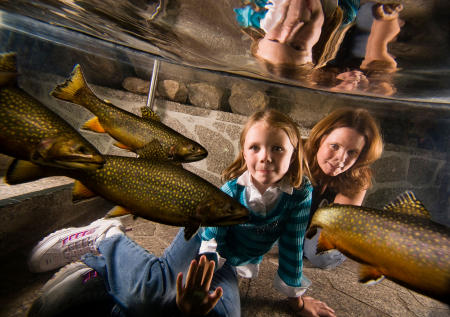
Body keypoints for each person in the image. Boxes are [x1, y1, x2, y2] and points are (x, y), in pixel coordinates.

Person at [27, 109, 336, 317]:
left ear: (295, 151)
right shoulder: (230, 192)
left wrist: (297, 301)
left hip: (230, 266)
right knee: (153, 293)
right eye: (255, 147)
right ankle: (106, 239)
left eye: (277, 149)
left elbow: (293, 248)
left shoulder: (300, 195)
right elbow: (210, 240)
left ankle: (125, 284)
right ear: (243, 152)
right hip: (201, 246)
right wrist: (197, 282)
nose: (265, 157)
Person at [302, 107, 383, 269]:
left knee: (321, 255)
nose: (341, 159)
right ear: (321, 138)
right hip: (293, 222)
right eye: (335, 146)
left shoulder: (358, 178)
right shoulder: (295, 153)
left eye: (352, 152)